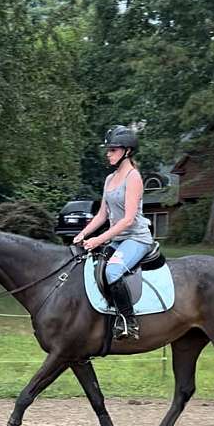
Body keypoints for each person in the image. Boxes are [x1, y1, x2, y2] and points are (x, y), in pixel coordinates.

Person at [73, 125, 154, 338]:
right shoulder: (110, 179)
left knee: (112, 271)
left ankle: (129, 321)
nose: (108, 154)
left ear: (127, 151)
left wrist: (98, 239)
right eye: (108, 150)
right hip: (117, 239)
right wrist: (82, 235)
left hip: (136, 238)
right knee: (92, 266)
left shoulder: (133, 177)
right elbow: (102, 215)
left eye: (113, 150)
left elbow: (128, 219)